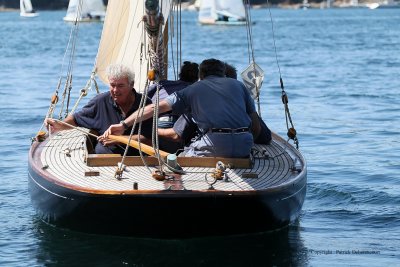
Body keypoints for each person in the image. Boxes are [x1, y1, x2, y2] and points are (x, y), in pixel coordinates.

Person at [102, 58, 261, 158]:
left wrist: (123, 125)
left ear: (201, 75)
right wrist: (244, 144)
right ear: (223, 73)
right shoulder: (239, 86)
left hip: (213, 147)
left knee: (178, 158)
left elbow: (156, 108)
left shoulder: (194, 89)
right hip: (244, 145)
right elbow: (256, 126)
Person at [46, 63, 153, 156]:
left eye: (120, 86)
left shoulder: (146, 104)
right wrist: (58, 124)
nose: (115, 90)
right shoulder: (100, 102)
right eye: (112, 85)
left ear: (131, 85)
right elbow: (75, 119)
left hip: (140, 160)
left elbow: (150, 140)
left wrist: (120, 140)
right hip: (104, 161)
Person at [147, 61, 199, 153]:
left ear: (180, 74)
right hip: (176, 128)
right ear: (197, 78)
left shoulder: (162, 84)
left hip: (154, 123)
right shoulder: (193, 90)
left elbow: (145, 97)